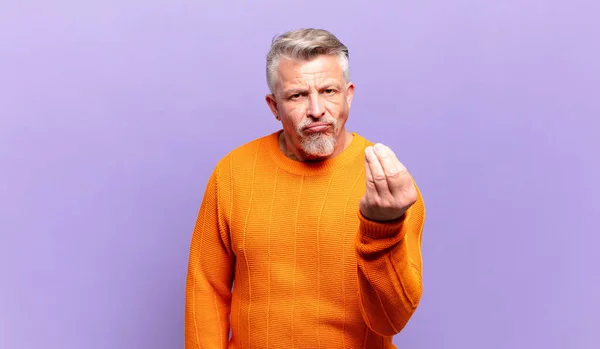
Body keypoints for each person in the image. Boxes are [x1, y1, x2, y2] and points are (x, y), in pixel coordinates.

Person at [184, 28, 426, 349]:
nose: (316, 109)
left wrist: (384, 227)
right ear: (274, 106)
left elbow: (390, 320)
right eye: (297, 95)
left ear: (348, 94)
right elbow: (206, 291)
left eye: (329, 91)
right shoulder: (232, 172)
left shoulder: (386, 186)